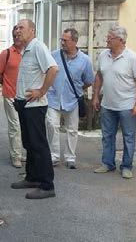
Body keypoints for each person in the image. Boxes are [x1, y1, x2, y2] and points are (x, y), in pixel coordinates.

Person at [10, 19, 58, 200]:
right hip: (24, 104)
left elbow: (53, 69)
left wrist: (42, 90)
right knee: (29, 144)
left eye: (21, 28)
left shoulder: (38, 46)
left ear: (32, 30)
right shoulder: (26, 49)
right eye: (17, 28)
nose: (18, 30)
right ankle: (32, 177)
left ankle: (47, 185)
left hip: (35, 106)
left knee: (39, 145)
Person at [92, 25, 136, 179]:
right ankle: (107, 163)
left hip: (127, 106)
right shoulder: (103, 55)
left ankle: (127, 166)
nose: (107, 39)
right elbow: (99, 76)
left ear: (121, 40)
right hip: (107, 104)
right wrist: (95, 96)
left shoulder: (132, 58)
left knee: (128, 136)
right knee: (107, 135)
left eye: (110, 37)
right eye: (108, 37)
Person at [46, 28, 94, 169]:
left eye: (65, 40)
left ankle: (70, 157)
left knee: (72, 129)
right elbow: (46, 73)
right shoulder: (54, 56)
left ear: (74, 41)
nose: (62, 42)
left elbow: (89, 80)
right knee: (52, 126)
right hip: (53, 98)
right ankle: (54, 156)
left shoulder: (85, 60)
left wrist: (77, 90)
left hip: (73, 100)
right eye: (61, 39)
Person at [0, 26, 25, 168]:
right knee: (15, 126)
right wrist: (6, 84)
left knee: (26, 126)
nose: (17, 37)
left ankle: (23, 153)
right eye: (15, 35)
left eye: (20, 35)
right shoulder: (6, 53)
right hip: (11, 95)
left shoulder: (29, 52)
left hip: (27, 96)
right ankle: (16, 156)